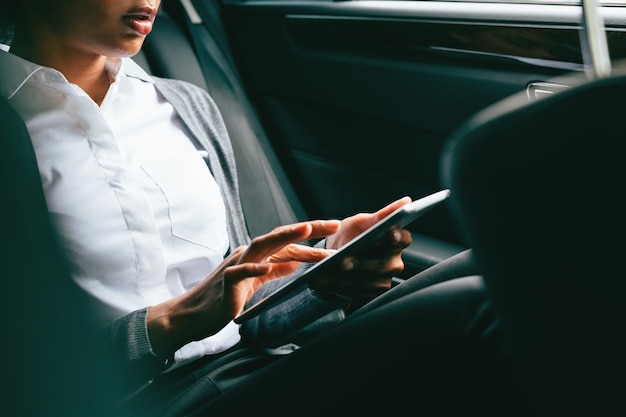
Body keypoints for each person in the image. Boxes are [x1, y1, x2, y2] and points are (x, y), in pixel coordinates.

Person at [0, 1, 529, 416]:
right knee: (480, 309)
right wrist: (174, 321)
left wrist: (324, 277)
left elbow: (242, 317)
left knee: (510, 266)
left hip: (244, 369)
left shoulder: (182, 104)